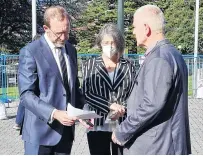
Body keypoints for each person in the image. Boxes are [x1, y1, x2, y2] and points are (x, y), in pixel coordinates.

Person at [112, 5, 191, 155]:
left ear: (146, 28)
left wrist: (122, 131)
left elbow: (152, 104)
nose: (133, 32)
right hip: (163, 143)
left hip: (156, 146)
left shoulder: (159, 58)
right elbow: (160, 100)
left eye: (135, 27)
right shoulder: (172, 53)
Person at [18, 6, 84, 155]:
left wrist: (84, 111)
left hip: (66, 134)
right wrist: (54, 113)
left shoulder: (71, 50)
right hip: (39, 133)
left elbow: (74, 88)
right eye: (59, 33)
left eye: (67, 32)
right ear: (46, 28)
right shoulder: (30, 51)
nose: (64, 37)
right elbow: (26, 95)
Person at [82, 23, 136, 155]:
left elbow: (134, 92)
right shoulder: (90, 64)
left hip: (122, 124)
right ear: (100, 43)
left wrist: (122, 108)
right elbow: (86, 93)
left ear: (119, 43)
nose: (110, 46)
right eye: (106, 42)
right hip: (97, 123)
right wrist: (110, 105)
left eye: (113, 42)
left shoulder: (128, 65)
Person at [13, 34, 42, 131]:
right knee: (25, 100)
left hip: (26, 80)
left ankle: (18, 122)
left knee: (24, 101)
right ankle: (19, 122)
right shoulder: (29, 51)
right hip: (29, 81)